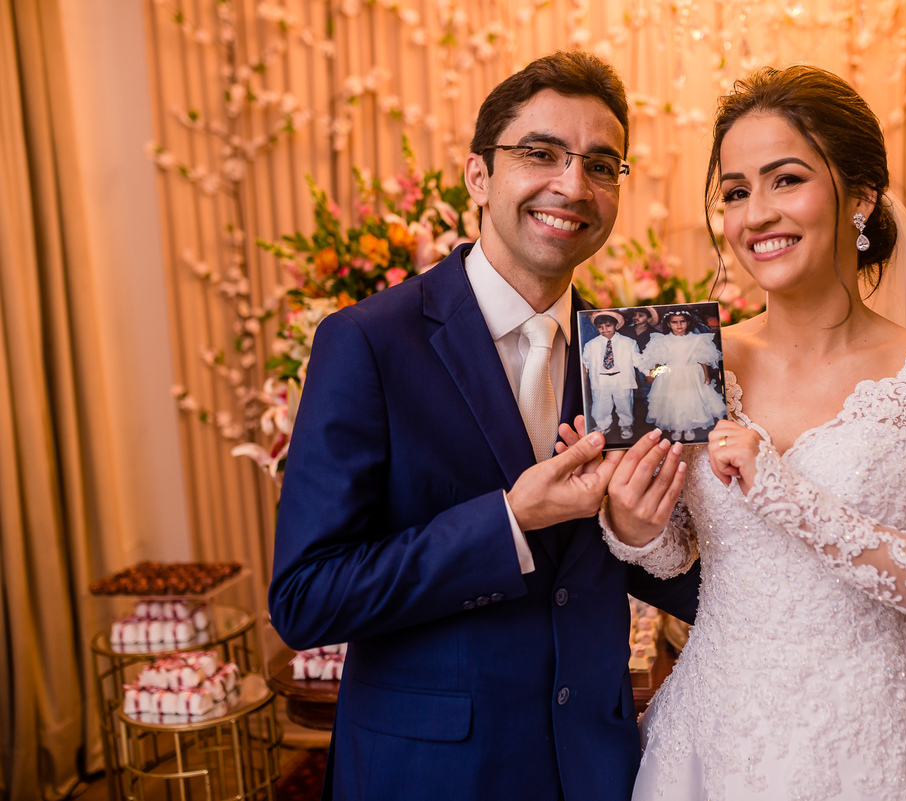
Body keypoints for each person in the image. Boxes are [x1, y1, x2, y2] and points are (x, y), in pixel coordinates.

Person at [268, 51, 700, 801]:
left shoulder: (635, 352)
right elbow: (307, 598)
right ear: (478, 175)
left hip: (596, 768)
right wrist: (510, 521)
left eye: (601, 165)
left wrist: (636, 533)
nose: (573, 185)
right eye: (541, 153)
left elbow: (680, 583)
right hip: (430, 774)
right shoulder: (368, 342)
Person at [600, 65, 906, 800]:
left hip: (885, 741)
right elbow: (672, 553)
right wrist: (633, 522)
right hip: (720, 737)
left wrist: (788, 495)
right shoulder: (689, 359)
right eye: (735, 192)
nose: (756, 214)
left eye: (785, 180)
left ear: (861, 197)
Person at [638, 308, 727, 443]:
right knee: (674, 401)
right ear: (669, 324)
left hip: (691, 374)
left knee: (690, 401)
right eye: (674, 322)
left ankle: (689, 428)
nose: (679, 325)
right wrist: (652, 375)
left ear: (688, 322)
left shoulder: (696, 339)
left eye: (682, 322)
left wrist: (706, 375)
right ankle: (677, 428)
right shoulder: (663, 340)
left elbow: (702, 359)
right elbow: (656, 360)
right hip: (671, 375)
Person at [581, 311, 642, 439]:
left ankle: (626, 424)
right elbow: (585, 363)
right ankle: (602, 425)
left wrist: (650, 371)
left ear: (616, 325)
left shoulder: (628, 342)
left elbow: (637, 360)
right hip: (601, 378)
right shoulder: (591, 345)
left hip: (621, 378)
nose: (604, 330)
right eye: (600, 327)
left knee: (624, 403)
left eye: (608, 326)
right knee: (600, 404)